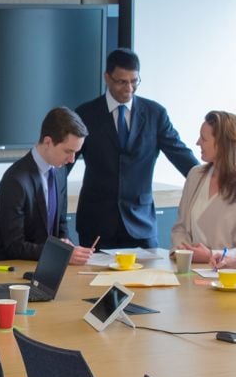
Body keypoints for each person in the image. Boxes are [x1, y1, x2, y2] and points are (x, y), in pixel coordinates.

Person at [74, 48, 199, 249]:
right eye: (122, 82)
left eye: (134, 81)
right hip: (96, 225)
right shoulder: (86, 114)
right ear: (107, 77)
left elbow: (180, 154)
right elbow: (64, 164)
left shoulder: (155, 114)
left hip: (141, 224)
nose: (129, 88)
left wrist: (214, 179)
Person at [0, 107, 92, 265]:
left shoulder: (59, 172)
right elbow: (14, 246)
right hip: (20, 272)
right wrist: (60, 253)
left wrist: (66, 243)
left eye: (76, 152)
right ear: (48, 142)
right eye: (68, 151)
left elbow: (61, 224)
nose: (72, 159)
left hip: (51, 268)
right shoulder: (15, 181)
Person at [171, 111, 236, 268]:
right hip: (189, 272)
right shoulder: (195, 175)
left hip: (227, 276)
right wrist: (184, 253)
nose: (198, 142)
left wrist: (211, 255)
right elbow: (180, 227)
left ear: (222, 144)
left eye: (204, 138)